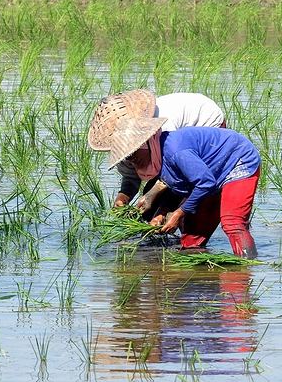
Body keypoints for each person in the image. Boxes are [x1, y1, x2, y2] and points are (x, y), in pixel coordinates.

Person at [105, 117, 260, 258]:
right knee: (191, 240)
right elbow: (180, 186)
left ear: (147, 143)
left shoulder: (176, 152)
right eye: (128, 156)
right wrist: (162, 213)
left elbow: (205, 183)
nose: (132, 159)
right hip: (210, 173)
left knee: (232, 222)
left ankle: (246, 267)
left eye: (134, 153)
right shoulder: (158, 158)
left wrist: (179, 213)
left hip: (237, 159)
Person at [88, 90, 226, 212]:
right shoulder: (121, 147)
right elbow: (131, 177)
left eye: (133, 152)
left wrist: (153, 196)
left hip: (205, 127)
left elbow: (176, 174)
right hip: (164, 152)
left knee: (181, 201)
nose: (130, 158)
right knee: (150, 208)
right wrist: (123, 197)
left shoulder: (163, 129)